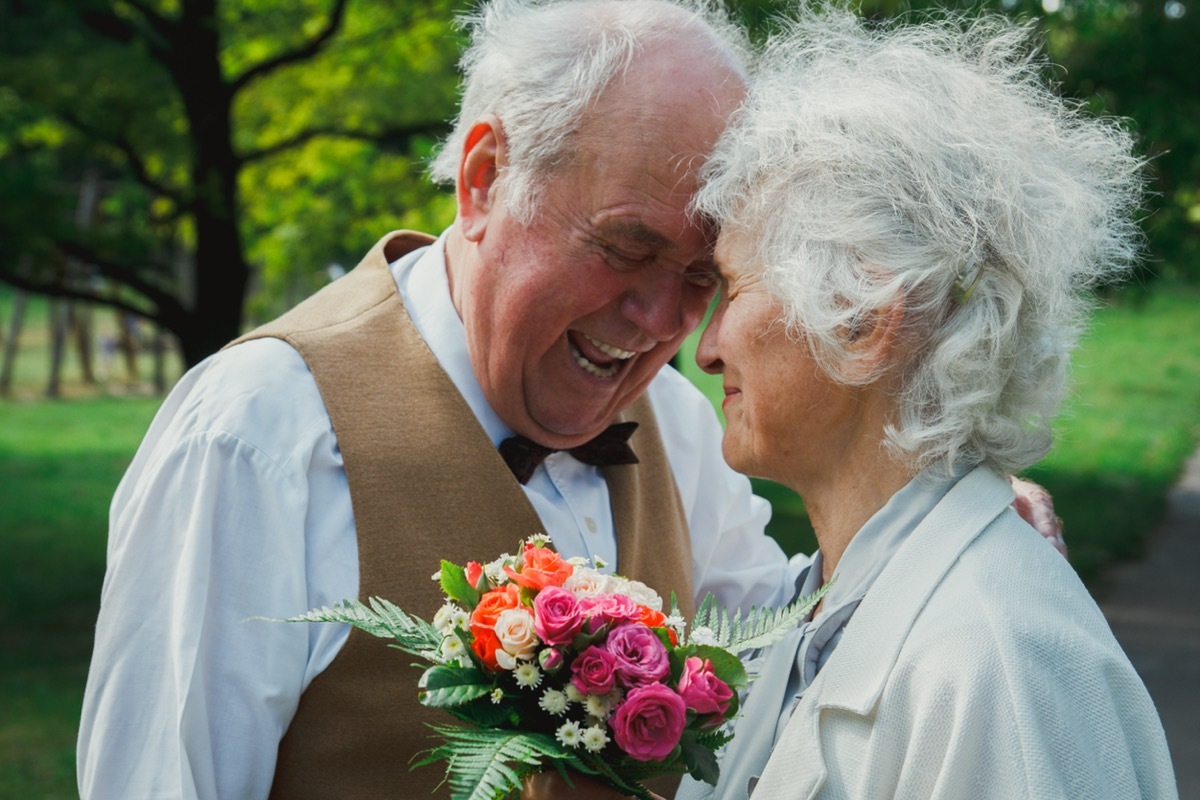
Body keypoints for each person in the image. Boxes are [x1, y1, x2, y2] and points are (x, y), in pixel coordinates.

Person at [76, 2, 1063, 798]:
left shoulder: (678, 426)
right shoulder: (258, 436)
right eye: (624, 246)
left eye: (698, 274)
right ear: (484, 177)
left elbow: (776, 657)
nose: (657, 320)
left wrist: (936, 523)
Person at [671, 9, 1173, 799]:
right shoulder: (827, 605)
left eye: (733, 289)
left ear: (867, 320)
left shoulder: (997, 669)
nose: (704, 348)